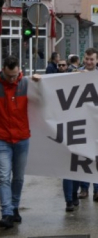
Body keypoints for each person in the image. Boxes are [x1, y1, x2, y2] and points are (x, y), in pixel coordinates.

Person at [0, 56, 40, 228]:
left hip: (21, 137)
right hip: (3, 138)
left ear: (19, 71)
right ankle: (8, 211)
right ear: (3, 70)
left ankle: (14, 208)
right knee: (3, 176)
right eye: (9, 76)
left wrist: (40, 83)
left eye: (15, 75)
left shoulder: (26, 83)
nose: (12, 79)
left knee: (18, 178)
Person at [77, 48, 98, 201]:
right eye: (87, 59)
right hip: (82, 121)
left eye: (92, 59)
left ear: (97, 60)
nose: (89, 62)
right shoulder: (75, 74)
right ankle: (84, 188)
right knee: (84, 156)